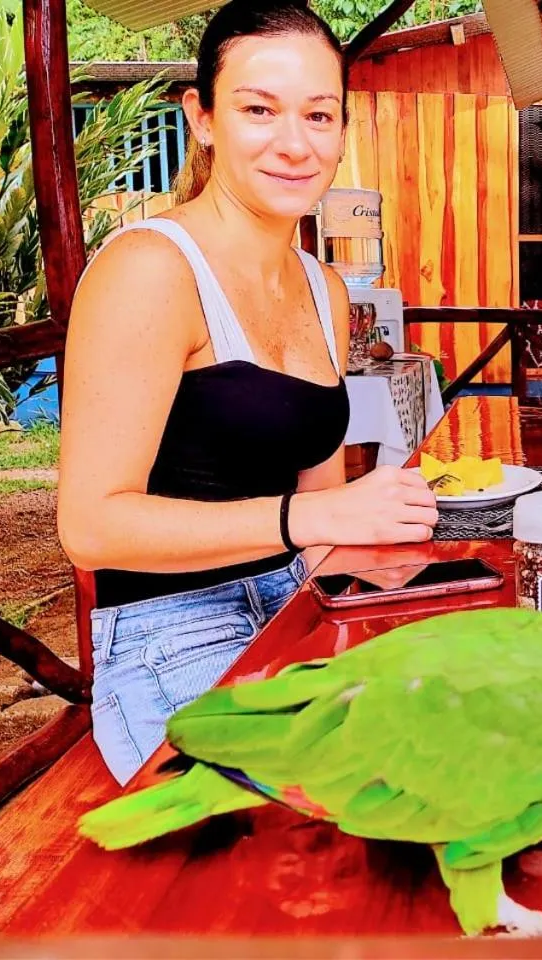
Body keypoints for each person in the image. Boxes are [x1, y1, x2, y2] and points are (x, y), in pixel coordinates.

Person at [57, 0, 439, 784]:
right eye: (258, 110)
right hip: (169, 632)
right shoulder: (151, 269)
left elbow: (323, 511)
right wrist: (315, 520)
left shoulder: (325, 287)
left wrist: (391, 575)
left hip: (299, 603)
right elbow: (90, 529)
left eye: (319, 115)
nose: (295, 144)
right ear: (201, 118)